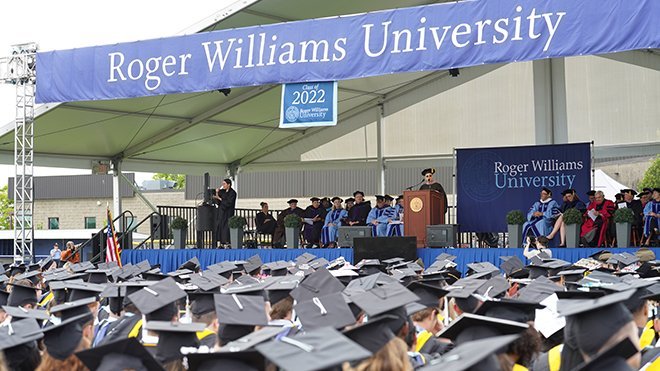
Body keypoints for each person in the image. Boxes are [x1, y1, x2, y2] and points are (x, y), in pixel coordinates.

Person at [213, 178, 237, 247]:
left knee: (226, 228)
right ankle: (220, 243)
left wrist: (220, 198)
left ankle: (227, 243)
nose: (223, 185)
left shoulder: (233, 193)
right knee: (220, 226)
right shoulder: (222, 192)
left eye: (224, 184)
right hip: (221, 213)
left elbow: (229, 203)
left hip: (228, 213)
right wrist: (217, 193)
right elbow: (218, 201)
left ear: (228, 184)